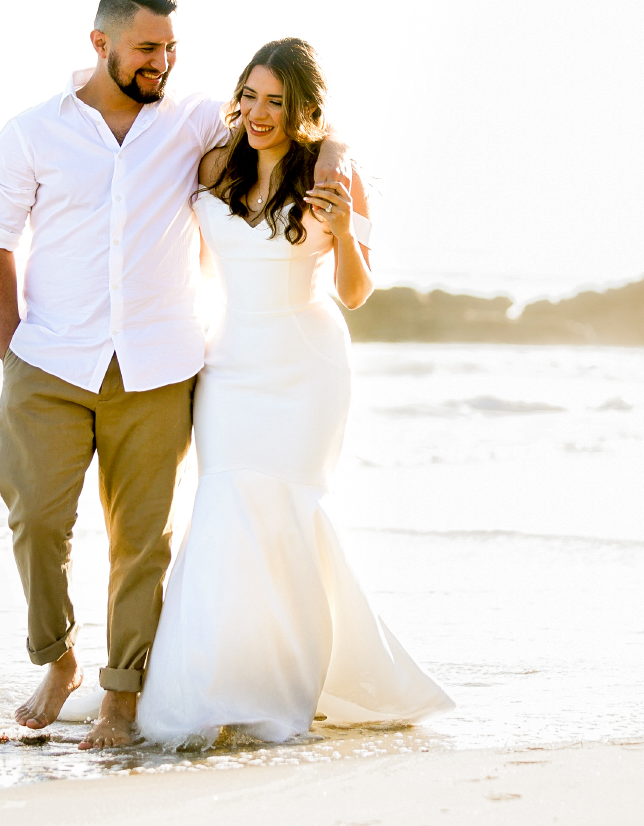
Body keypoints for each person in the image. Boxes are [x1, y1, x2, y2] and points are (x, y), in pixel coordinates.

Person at [0, 0, 352, 749]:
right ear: (100, 43)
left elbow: (294, 120)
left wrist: (336, 158)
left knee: (142, 541)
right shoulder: (30, 133)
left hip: (158, 364)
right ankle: (58, 657)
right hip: (49, 359)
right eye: (148, 49)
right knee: (37, 520)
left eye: (171, 49)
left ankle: (121, 697)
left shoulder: (190, 123)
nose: (163, 62)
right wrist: (12, 348)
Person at [132, 38, 455, 747]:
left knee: (285, 513)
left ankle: (285, 689)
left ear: (302, 107)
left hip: (306, 364)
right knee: (222, 506)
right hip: (231, 360)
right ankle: (214, 680)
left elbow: (356, 292)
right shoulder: (216, 162)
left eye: (276, 101)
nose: (258, 113)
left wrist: (342, 232)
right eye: (249, 96)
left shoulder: (332, 172)